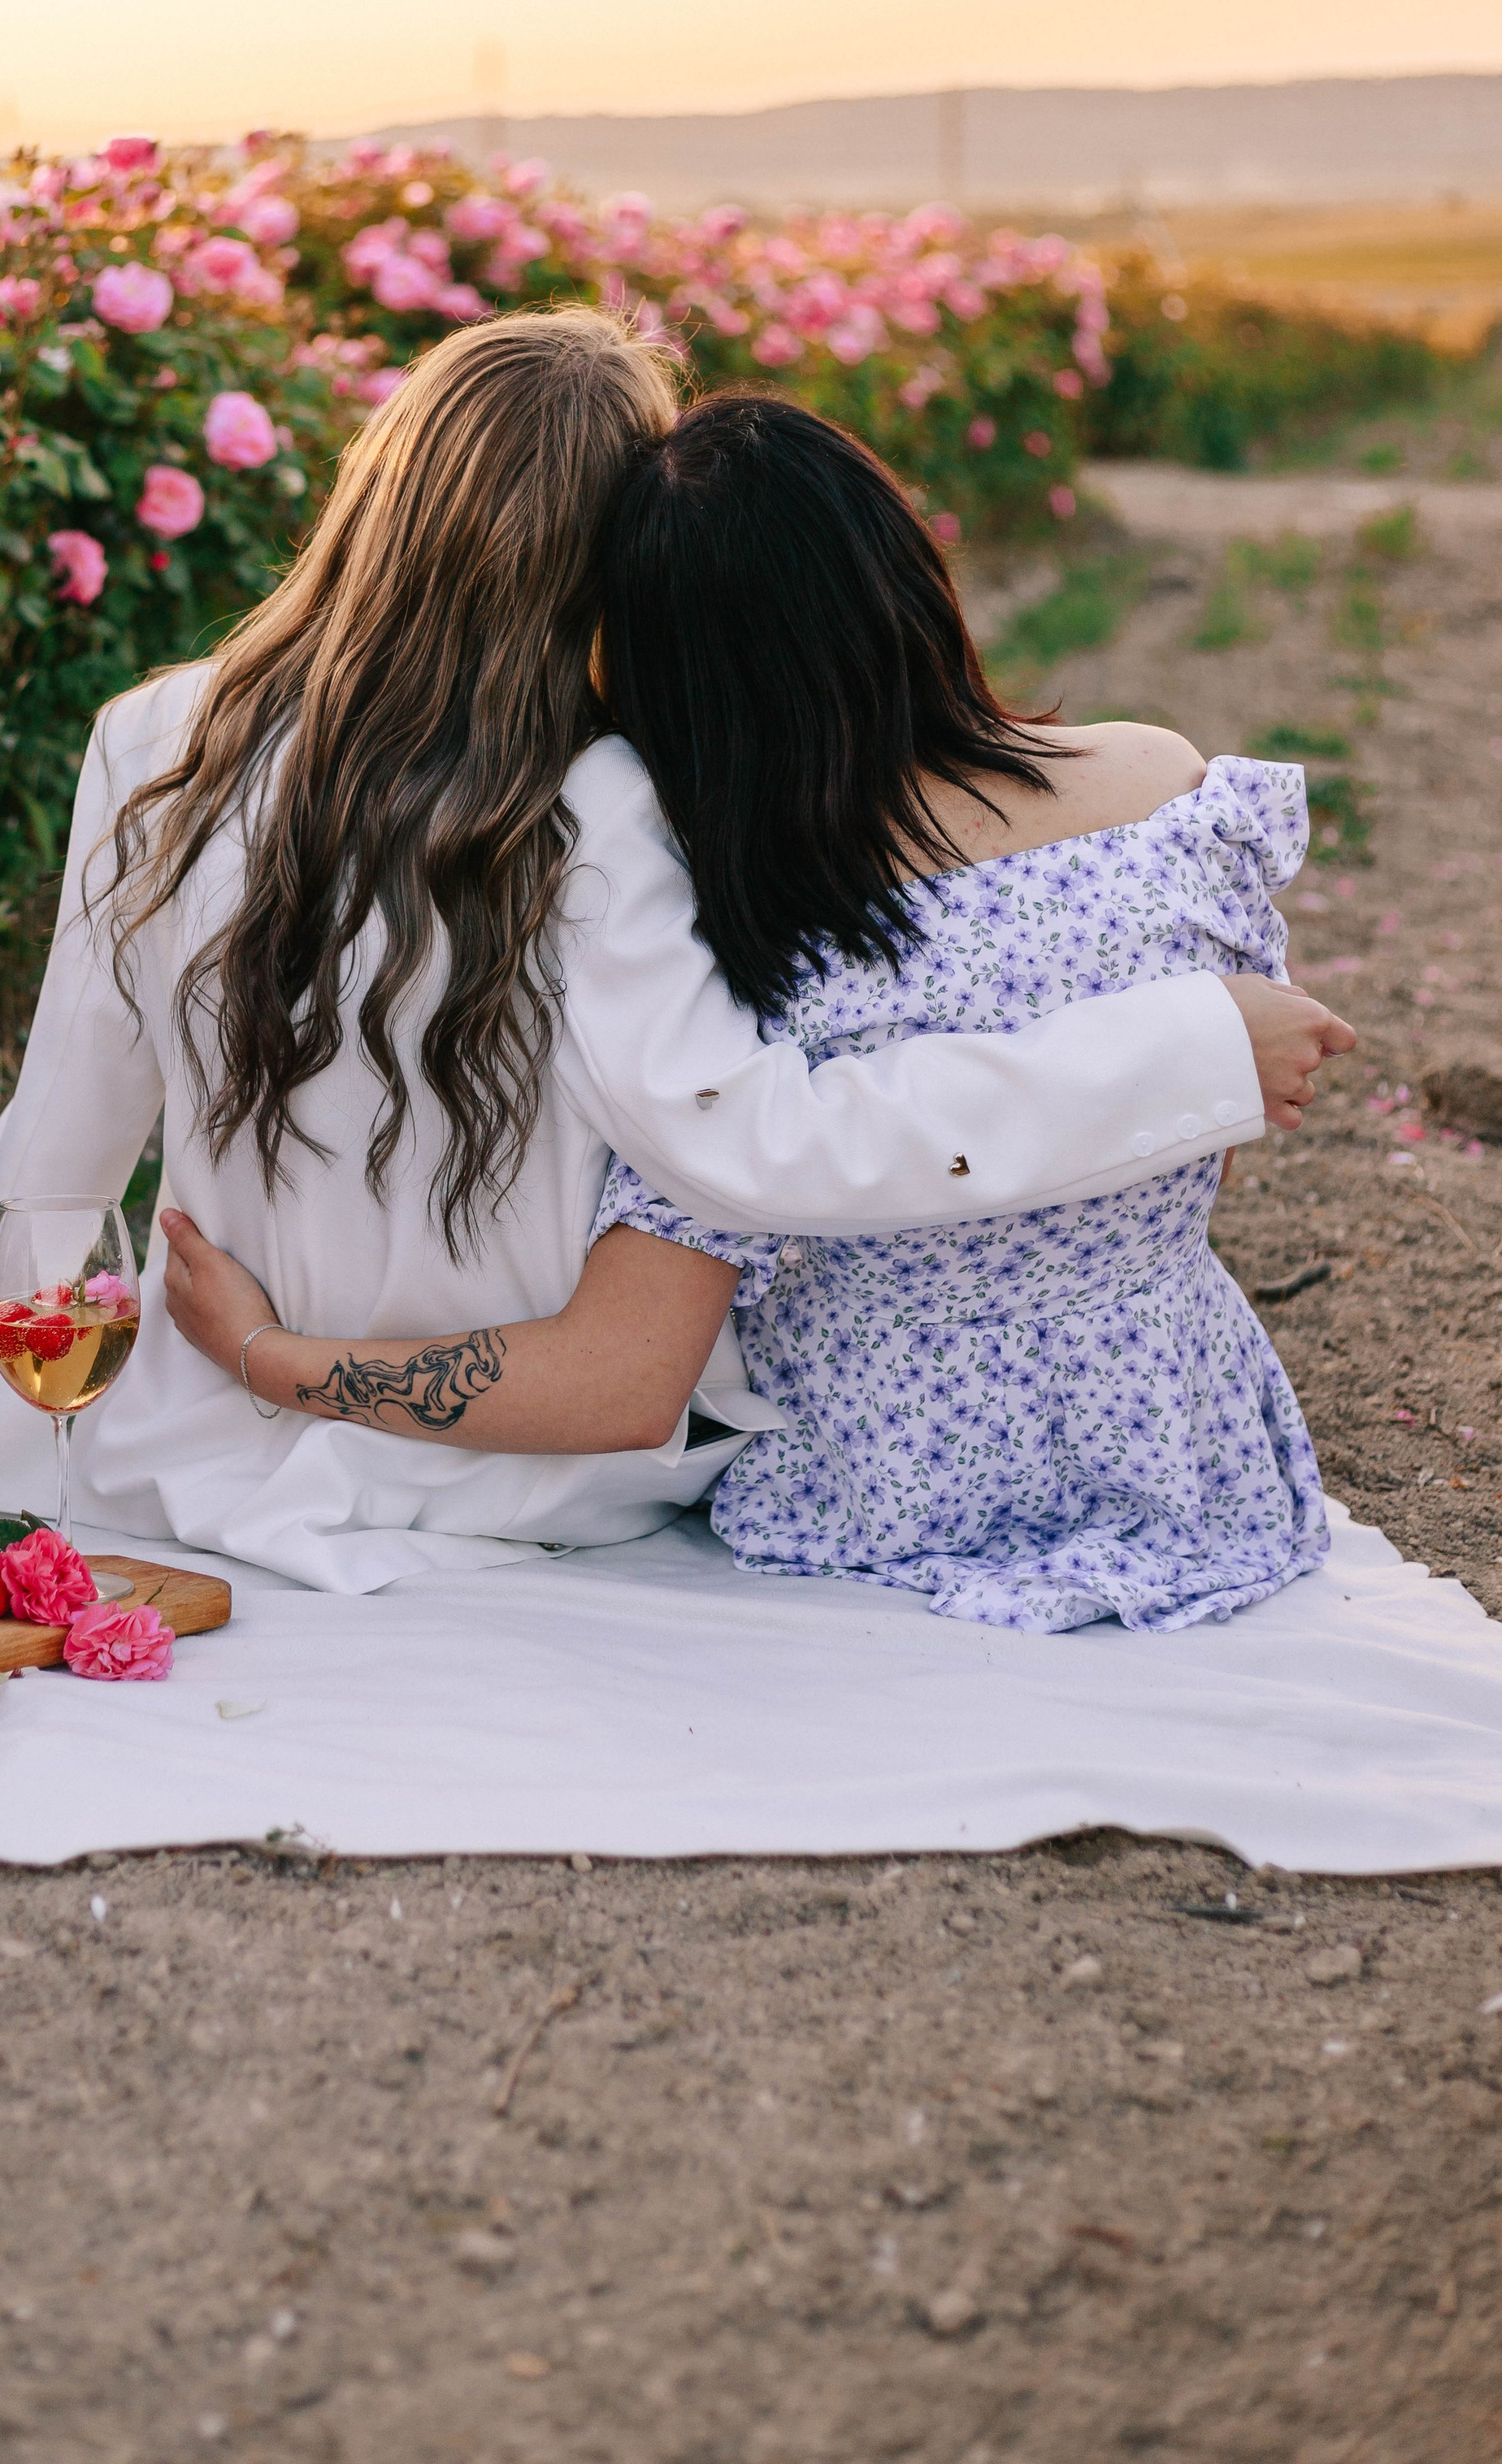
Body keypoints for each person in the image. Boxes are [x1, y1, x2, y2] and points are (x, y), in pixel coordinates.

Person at [0, 314, 1350, 1591]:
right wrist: (1188, 1054)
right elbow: (764, 1143)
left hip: (191, 1442)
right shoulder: (613, 806)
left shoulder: (153, 743)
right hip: (542, 1478)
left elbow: (54, 1158)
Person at [159, 388, 1339, 1629]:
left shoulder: (759, 951)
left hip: (890, 1504)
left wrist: (270, 1359)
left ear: (667, 684)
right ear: (905, 569)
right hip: (1184, 1454)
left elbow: (619, 1379)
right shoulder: (1172, 798)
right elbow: (1205, 1147)